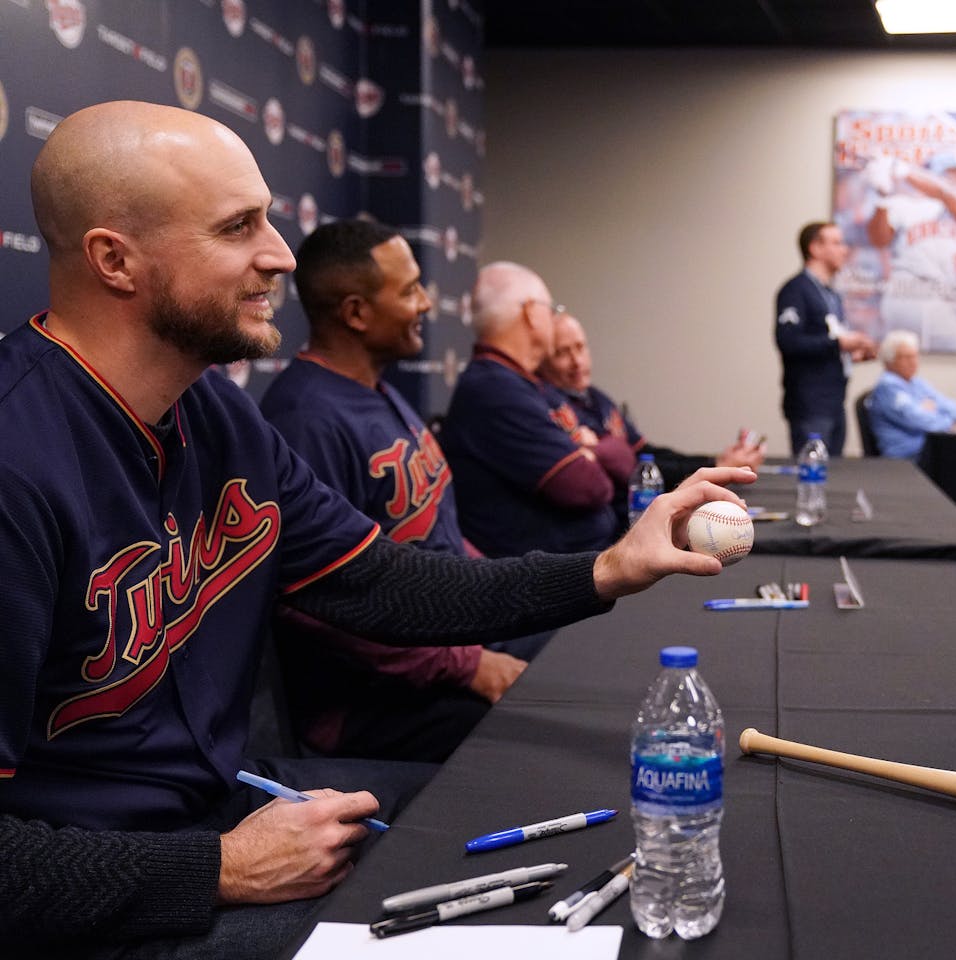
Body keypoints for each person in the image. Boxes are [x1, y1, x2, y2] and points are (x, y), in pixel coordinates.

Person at [0, 100, 753, 958]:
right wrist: (215, 870)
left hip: (220, 807)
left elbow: (389, 583)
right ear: (115, 260)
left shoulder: (216, 413)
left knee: (550, 841)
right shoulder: (15, 461)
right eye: (238, 227)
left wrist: (609, 568)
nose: (281, 254)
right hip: (105, 892)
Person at [260, 219, 535, 763]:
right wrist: (470, 664)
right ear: (357, 312)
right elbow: (320, 607)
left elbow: (442, 535)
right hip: (371, 704)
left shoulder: (380, 392)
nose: (427, 304)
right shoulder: (304, 418)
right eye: (409, 290)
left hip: (444, 649)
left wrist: (504, 601)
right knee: (533, 741)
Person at [443, 263, 639, 556]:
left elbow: (625, 460)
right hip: (537, 585)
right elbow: (589, 487)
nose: (553, 317)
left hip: (578, 565)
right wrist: (585, 457)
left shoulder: (522, 383)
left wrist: (589, 454)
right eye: (551, 309)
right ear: (531, 313)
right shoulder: (495, 389)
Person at [538, 310, 767, 500]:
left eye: (580, 348)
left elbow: (645, 454)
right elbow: (632, 468)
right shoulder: (548, 406)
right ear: (543, 361)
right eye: (562, 353)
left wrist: (714, 462)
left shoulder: (597, 398)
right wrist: (715, 466)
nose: (577, 362)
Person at [775, 220, 876, 455]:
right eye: (837, 243)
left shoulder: (831, 295)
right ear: (815, 249)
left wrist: (854, 353)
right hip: (811, 404)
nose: (845, 250)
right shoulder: (796, 290)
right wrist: (840, 343)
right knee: (813, 475)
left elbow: (828, 342)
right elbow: (788, 341)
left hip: (834, 401)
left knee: (831, 475)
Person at [866, 154, 956, 352]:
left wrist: (904, 171)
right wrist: (882, 196)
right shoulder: (902, 204)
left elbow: (947, 196)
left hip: (940, 296)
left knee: (916, 359)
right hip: (907, 289)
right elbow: (879, 240)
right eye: (953, 173)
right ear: (934, 174)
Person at [867, 329, 956, 459]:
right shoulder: (887, 387)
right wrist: (947, 423)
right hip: (905, 457)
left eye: (915, 356)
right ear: (889, 360)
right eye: (906, 357)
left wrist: (929, 410)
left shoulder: (916, 383)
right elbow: (919, 420)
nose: (913, 362)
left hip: (928, 449)